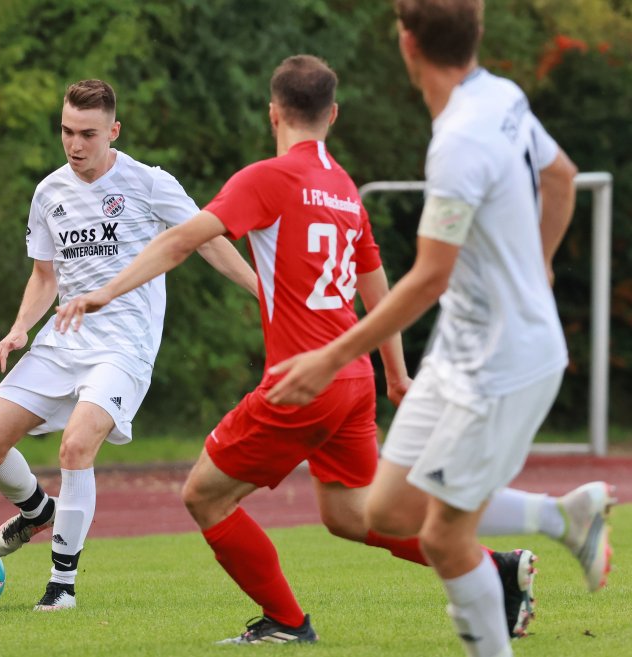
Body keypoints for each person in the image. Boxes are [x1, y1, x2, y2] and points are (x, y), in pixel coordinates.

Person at [56, 55, 611, 646]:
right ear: (334, 115)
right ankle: (495, 568)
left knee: (204, 495)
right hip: (354, 380)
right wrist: (395, 377)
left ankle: (287, 625)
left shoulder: (268, 178)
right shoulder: (345, 191)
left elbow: (180, 241)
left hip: (304, 381)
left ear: (274, 112)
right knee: (353, 516)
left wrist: (104, 291)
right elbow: (379, 293)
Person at [263, 3, 612, 656]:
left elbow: (427, 278)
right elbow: (560, 179)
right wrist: (536, 271)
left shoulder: (459, 141)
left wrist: (328, 357)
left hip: (502, 363)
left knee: (443, 537)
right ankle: (563, 516)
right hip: (460, 352)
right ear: (475, 34)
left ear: (407, 43)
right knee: (386, 511)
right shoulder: (501, 96)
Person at [0, 79, 258, 611]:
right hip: (62, 340)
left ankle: (61, 586)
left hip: (123, 346)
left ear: (113, 131)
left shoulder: (149, 183)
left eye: (88, 134)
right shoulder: (49, 191)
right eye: (66, 132)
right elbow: (44, 276)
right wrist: (19, 328)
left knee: (76, 446)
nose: (75, 145)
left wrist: (264, 293)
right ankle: (36, 511)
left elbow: (207, 238)